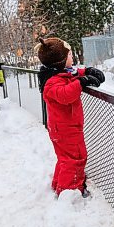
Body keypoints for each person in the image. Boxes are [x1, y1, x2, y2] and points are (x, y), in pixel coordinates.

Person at [36, 37, 105, 198]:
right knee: (75, 158)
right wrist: (81, 83)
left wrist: (87, 71)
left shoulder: (59, 73)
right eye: (69, 55)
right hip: (66, 129)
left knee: (65, 158)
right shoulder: (51, 82)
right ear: (60, 61)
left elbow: (71, 74)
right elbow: (65, 95)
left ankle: (59, 184)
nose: (72, 58)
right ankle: (71, 191)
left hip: (63, 127)